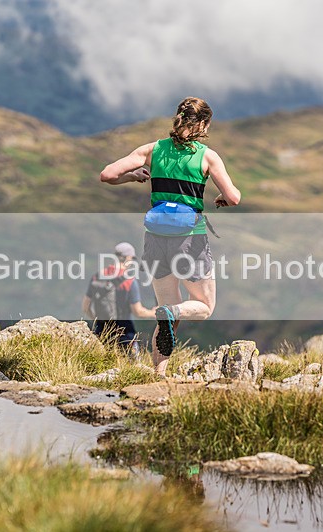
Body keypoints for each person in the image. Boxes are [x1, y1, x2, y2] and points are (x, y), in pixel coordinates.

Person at [99, 97, 241, 373]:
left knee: (166, 310)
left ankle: (158, 374)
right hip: (190, 239)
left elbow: (107, 174)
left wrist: (133, 177)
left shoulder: (153, 149)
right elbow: (234, 197)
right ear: (204, 124)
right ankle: (172, 313)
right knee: (203, 306)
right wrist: (222, 197)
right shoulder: (207, 156)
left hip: (155, 238)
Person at [82, 242, 155, 356]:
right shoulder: (129, 281)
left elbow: (86, 307)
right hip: (125, 335)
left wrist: (98, 322)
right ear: (128, 258)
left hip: (101, 333)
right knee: (132, 367)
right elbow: (138, 312)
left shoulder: (97, 276)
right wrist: (153, 313)